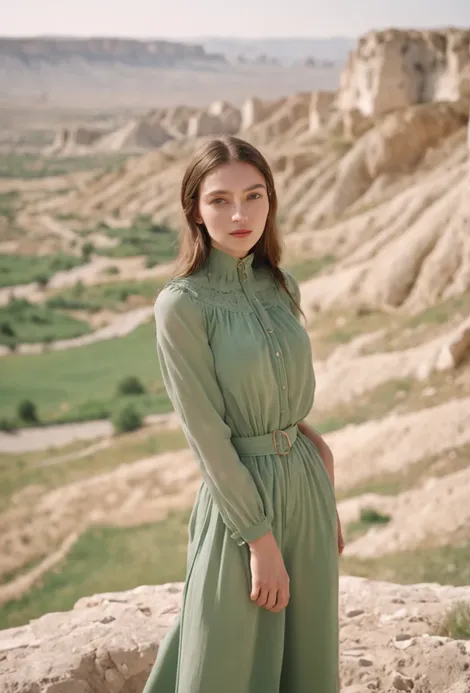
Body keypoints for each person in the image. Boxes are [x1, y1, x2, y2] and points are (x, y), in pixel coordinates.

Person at [142, 135, 343, 693]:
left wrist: (322, 461)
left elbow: (288, 400)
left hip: (307, 488)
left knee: (306, 661)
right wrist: (260, 540)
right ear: (195, 211)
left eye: (255, 197)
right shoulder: (180, 305)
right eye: (219, 200)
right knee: (221, 663)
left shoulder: (281, 286)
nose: (239, 214)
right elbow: (207, 436)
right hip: (241, 506)